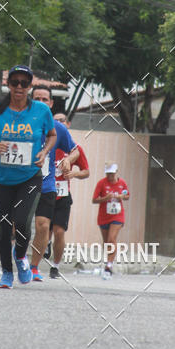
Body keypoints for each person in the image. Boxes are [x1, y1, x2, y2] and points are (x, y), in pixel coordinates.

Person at [0, 65, 56, 289]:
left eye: (24, 83)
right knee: (3, 226)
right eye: (15, 82)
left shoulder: (41, 110)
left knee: (21, 221)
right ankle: (6, 272)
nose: (19, 87)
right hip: (1, 178)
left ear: (30, 86)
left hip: (30, 176)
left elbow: (52, 135)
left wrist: (44, 152)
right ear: (8, 84)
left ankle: (20, 256)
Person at [28, 86, 78, 282]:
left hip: (47, 184)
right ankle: (20, 254)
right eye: (37, 98)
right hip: (22, 183)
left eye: (44, 99)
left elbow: (75, 151)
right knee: (19, 226)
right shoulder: (22, 124)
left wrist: (68, 160)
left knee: (43, 226)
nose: (41, 102)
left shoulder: (59, 128)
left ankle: (34, 267)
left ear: (50, 103)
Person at [48, 112, 90, 279]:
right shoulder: (47, 143)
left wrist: (74, 174)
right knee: (44, 229)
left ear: (68, 124)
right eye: (55, 121)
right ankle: (45, 246)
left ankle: (55, 266)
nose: (58, 123)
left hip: (63, 195)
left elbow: (86, 171)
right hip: (46, 192)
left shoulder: (75, 149)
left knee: (59, 232)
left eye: (62, 121)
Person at [92, 163, 130, 275]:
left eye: (112, 173)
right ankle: (108, 261)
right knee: (107, 242)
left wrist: (121, 196)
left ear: (116, 172)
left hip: (117, 215)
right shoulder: (101, 183)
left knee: (111, 238)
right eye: (108, 174)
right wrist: (105, 198)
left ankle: (109, 265)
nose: (110, 176)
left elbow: (127, 195)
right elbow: (94, 200)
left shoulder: (122, 183)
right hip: (104, 216)